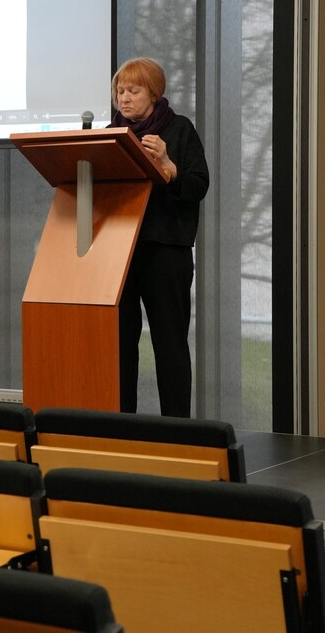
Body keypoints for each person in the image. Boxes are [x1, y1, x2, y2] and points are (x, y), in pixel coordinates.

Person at [111, 57, 210, 418]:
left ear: (154, 93)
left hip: (165, 250)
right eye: (120, 91)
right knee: (120, 344)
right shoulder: (110, 134)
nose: (124, 98)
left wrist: (170, 168)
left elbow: (199, 185)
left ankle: (176, 429)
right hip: (117, 253)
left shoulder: (178, 130)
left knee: (169, 342)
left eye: (133, 91)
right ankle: (122, 425)